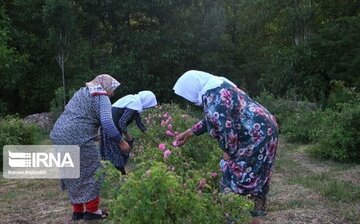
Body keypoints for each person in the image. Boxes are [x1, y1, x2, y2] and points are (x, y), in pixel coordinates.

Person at [173, 70, 278, 222]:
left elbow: (226, 129)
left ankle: (235, 217)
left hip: (254, 136)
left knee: (234, 179)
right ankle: (253, 218)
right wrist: (190, 132)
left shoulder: (213, 97)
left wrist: (228, 151)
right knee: (255, 178)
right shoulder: (218, 86)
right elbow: (215, 117)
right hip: (265, 129)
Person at [50, 74, 131, 221]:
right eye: (113, 89)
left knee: (72, 171)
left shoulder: (81, 92)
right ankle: (93, 211)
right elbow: (107, 122)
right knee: (94, 170)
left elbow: (79, 117)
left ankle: (78, 211)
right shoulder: (102, 97)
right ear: (106, 86)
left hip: (58, 133)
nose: (113, 93)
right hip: (76, 137)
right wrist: (121, 142)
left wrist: (92, 135)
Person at [100, 91, 157, 174]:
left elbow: (140, 125)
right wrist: (128, 136)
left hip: (111, 128)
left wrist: (153, 139)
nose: (147, 108)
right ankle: (119, 178)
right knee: (116, 155)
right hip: (110, 129)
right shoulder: (133, 103)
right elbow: (121, 122)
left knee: (115, 155)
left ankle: (115, 176)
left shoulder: (134, 103)